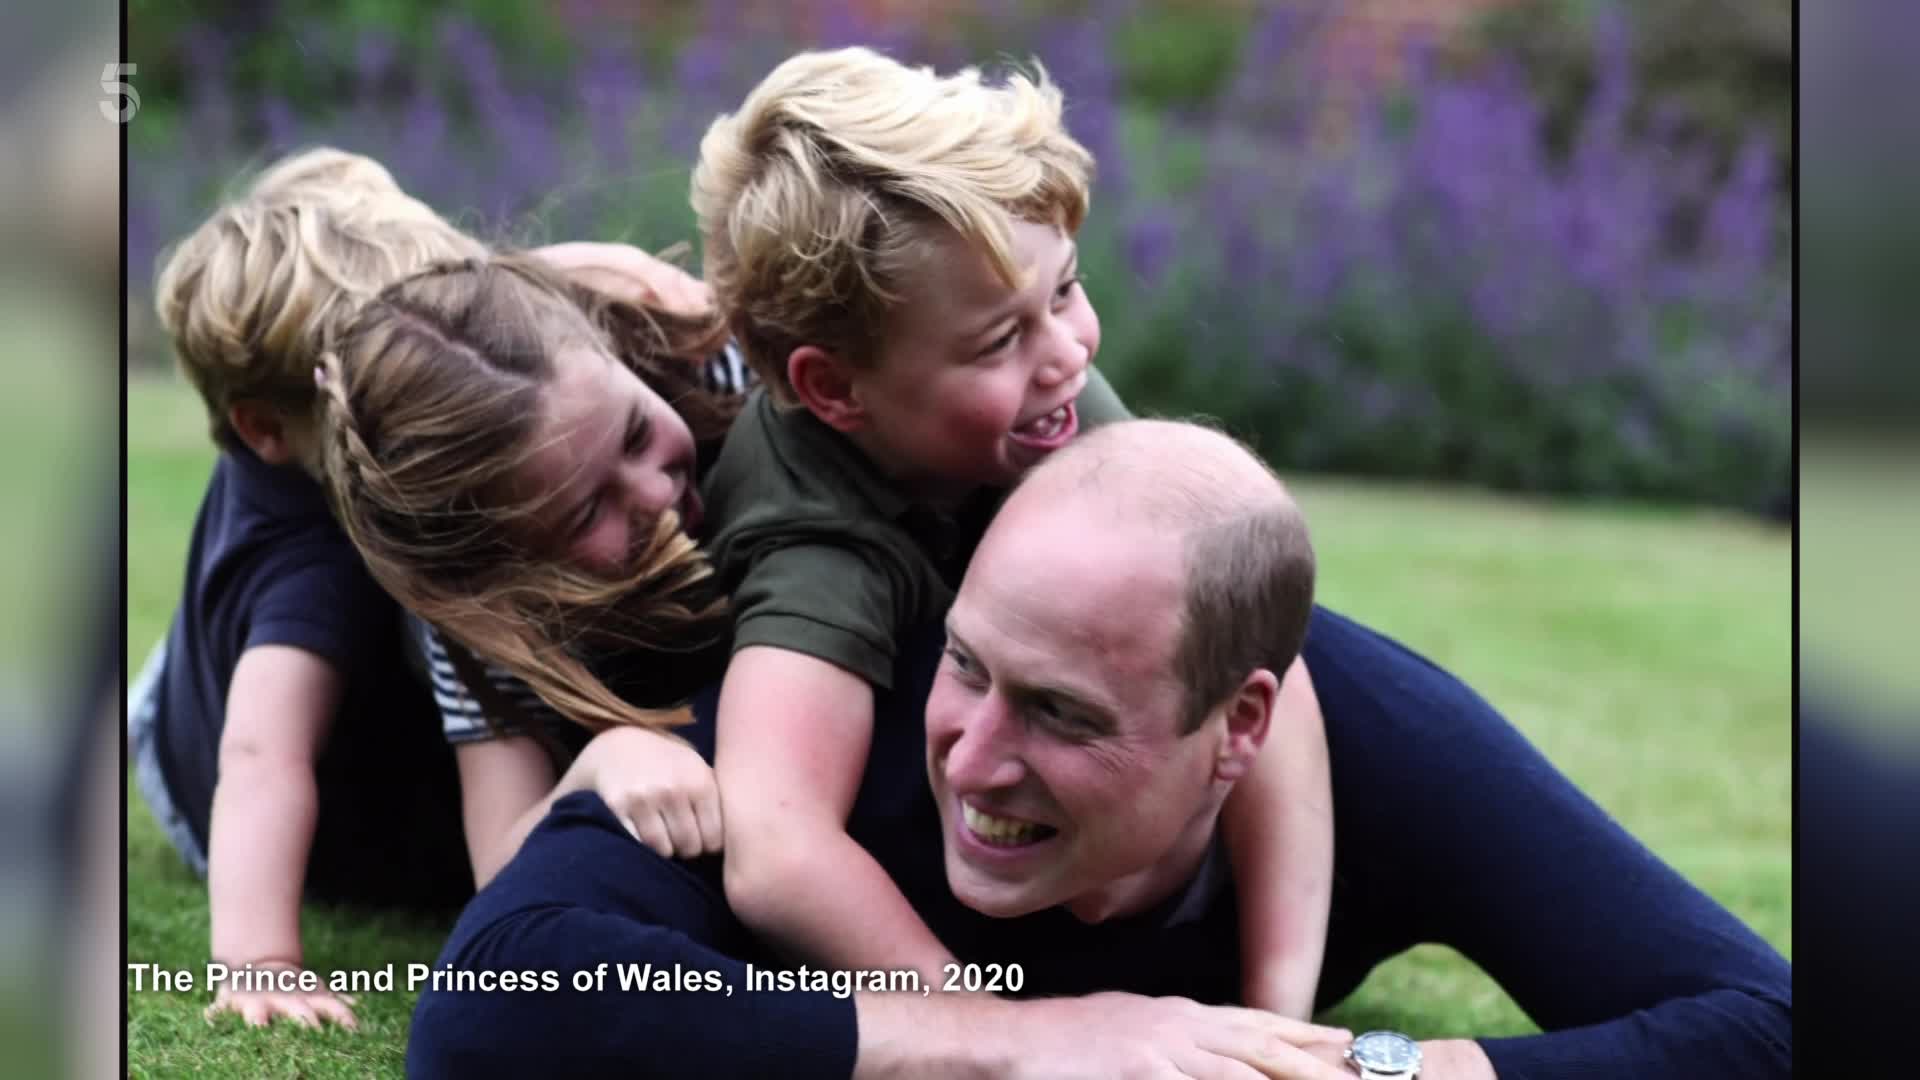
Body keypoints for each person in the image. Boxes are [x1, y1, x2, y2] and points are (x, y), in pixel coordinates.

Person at [405, 420, 1792, 1078]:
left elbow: (1768, 1023)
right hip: (404, 740)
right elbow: (494, 1002)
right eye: (970, 667)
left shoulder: (1383, 743)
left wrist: (1366, 1075)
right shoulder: (833, 714)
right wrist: (1021, 1045)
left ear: (1241, 728)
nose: (973, 759)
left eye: (1063, 715)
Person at [689, 45, 1333, 1017]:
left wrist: (1278, 1015)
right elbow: (777, 853)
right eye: (1001, 340)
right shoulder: (815, 536)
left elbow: (1266, 660)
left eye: (1065, 289)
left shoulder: (1042, 393)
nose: (1067, 352)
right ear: (836, 388)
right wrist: (1000, 1038)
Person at [131, 147, 734, 1031]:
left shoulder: (456, 369)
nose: (432, 374)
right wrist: (259, 960)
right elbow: (261, 760)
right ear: (272, 426)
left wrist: (577, 273)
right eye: (386, 381)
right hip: (197, 762)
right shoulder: (310, 562)